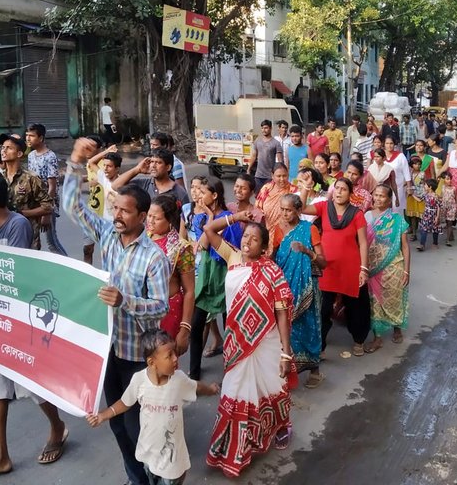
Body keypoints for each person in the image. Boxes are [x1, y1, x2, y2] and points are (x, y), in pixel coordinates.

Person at [63, 137, 170, 485]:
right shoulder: (108, 234)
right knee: (118, 422)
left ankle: (158, 475)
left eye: (126, 212)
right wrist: (77, 163)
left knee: (138, 423)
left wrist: (125, 300)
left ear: (143, 217)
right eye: (116, 210)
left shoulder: (154, 257)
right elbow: (73, 207)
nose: (118, 216)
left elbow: (160, 308)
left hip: (139, 357)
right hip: (107, 349)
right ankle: (137, 477)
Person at [0, 170, 67, 483]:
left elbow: (9, 271)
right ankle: (0, 455)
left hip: (19, 317)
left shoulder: (17, 224)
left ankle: (58, 427)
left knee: (30, 384)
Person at [202, 215, 293, 476]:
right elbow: (209, 229)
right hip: (237, 343)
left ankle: (282, 426)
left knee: (272, 386)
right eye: (245, 237)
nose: (247, 242)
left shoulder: (272, 271)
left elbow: (282, 312)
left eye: (254, 239)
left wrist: (286, 352)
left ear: (264, 248)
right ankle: (235, 449)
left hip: (266, 343)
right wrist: (237, 217)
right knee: (235, 390)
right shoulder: (232, 258)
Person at [86, 329, 219, 484]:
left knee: (174, 478)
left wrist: (211, 389)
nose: (176, 359)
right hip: (149, 451)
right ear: (151, 362)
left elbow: (196, 387)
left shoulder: (179, 380)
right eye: (169, 356)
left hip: (172, 455)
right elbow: (125, 402)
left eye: (175, 353)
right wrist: (103, 415)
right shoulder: (139, 380)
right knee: (152, 476)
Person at [299, 178, 370, 357]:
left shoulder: (356, 214)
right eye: (337, 188)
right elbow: (301, 208)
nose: (339, 192)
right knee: (323, 309)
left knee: (356, 307)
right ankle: (320, 346)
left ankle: (359, 340)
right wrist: (306, 188)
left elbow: (363, 243)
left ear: (350, 193)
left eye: (343, 189)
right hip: (326, 268)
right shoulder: (324, 207)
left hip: (350, 268)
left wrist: (363, 269)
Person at [189, 178, 242, 379]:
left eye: (203, 192)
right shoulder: (204, 217)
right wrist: (210, 216)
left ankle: (232, 371)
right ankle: (194, 374)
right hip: (206, 274)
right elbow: (202, 244)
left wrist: (212, 218)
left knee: (229, 325)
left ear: (215, 195)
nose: (199, 196)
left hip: (224, 275)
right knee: (196, 326)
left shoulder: (230, 219)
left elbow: (233, 251)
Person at [272, 194, 326, 388]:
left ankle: (314, 370)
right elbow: (276, 257)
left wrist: (306, 251)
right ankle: (288, 370)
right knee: (288, 330)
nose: (285, 214)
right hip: (285, 287)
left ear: (298, 210)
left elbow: (323, 262)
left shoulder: (309, 229)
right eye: (282, 209)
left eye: (288, 210)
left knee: (310, 326)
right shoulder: (279, 229)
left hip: (307, 287)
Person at [363, 185, 410, 353]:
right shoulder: (367, 216)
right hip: (373, 268)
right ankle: (378, 338)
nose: (378, 198)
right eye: (375, 195)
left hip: (394, 265)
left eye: (382, 196)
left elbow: (405, 247)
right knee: (375, 302)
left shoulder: (397, 219)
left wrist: (406, 270)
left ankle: (397, 327)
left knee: (394, 297)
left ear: (389, 200)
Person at [147, 195, 195, 356]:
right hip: (143, 310)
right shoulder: (142, 239)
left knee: (164, 362)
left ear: (169, 220)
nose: (150, 221)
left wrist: (185, 328)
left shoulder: (182, 248)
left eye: (156, 218)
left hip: (168, 312)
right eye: (149, 216)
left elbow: (189, 291)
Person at [0, 133, 54, 251]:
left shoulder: (31, 178)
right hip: (5, 235)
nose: (4, 151)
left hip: (27, 236)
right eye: (3, 147)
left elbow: (48, 206)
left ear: (19, 154)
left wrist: (22, 213)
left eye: (9, 148)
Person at [26, 123, 68, 255]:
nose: (28, 138)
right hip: (34, 203)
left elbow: (52, 186)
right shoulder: (31, 155)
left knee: (51, 242)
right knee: (33, 240)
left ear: (41, 138)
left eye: (31, 136)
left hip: (47, 205)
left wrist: (46, 212)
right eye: (27, 135)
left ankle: (68, 268)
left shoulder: (50, 157)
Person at [112, 150, 189, 206]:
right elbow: (115, 186)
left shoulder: (179, 192)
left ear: (168, 167)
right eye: (152, 162)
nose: (153, 166)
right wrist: (137, 169)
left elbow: (187, 219)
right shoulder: (144, 184)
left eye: (158, 162)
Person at [255, 163, 297, 237]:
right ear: (272, 176)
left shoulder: (293, 190)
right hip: (266, 232)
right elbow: (257, 209)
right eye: (278, 176)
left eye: (284, 176)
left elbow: (297, 212)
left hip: (286, 234)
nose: (282, 179)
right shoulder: (266, 189)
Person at [248, 120, 283, 192]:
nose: (264, 130)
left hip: (270, 176)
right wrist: (248, 169)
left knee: (268, 196)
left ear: (270, 128)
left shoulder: (276, 143)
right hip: (258, 175)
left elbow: (280, 159)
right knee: (258, 196)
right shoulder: (258, 141)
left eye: (266, 128)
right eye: (262, 128)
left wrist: (280, 173)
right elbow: (254, 156)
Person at [383, 135, 412, 215]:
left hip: (399, 187)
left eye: (391, 143)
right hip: (384, 187)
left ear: (394, 144)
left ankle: (399, 227)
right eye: (387, 143)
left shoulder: (400, 156)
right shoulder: (381, 156)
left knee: (397, 210)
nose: (389, 145)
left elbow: (406, 172)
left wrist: (409, 187)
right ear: (384, 144)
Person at [417, 178, 441, 251]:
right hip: (426, 214)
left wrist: (437, 217)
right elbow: (420, 200)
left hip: (433, 214)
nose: (424, 186)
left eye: (425, 185)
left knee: (435, 229)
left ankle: (435, 243)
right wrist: (412, 195)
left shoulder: (436, 196)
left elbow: (438, 207)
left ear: (430, 187)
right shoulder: (426, 194)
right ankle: (422, 244)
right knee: (424, 229)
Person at [405, 157, 425, 239]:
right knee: (412, 216)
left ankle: (423, 232)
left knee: (420, 215)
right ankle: (414, 233)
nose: (418, 166)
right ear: (412, 165)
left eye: (419, 164)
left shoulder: (422, 174)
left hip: (420, 195)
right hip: (411, 195)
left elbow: (424, 184)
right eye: (415, 164)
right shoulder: (409, 174)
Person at [438, 172, 457, 246]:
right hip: (444, 207)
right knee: (447, 222)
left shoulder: (454, 188)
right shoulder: (441, 188)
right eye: (447, 179)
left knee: (449, 223)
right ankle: (451, 235)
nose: (449, 180)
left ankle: (447, 240)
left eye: (450, 179)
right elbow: (439, 197)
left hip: (452, 208)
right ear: (443, 180)